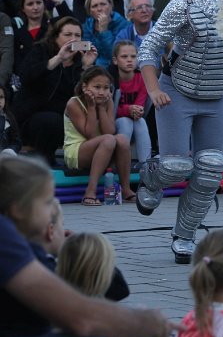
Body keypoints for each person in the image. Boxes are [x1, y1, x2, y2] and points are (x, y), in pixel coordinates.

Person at [0, 155, 167, 337]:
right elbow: (81, 319)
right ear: (19, 210)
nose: (52, 212)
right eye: (46, 203)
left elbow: (112, 291)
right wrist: (152, 323)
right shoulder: (17, 249)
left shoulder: (28, 252)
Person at [136, 0, 223, 264]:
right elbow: (150, 47)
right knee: (176, 166)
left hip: (215, 97)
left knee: (211, 167)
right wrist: (153, 89)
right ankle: (151, 178)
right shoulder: (182, 3)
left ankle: (185, 236)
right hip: (177, 93)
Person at [13, 16, 97, 164]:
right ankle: (45, 165)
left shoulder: (80, 61)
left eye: (77, 35)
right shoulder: (41, 50)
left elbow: (83, 96)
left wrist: (85, 67)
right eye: (67, 35)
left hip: (65, 117)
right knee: (51, 121)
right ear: (55, 36)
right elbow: (26, 76)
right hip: (32, 116)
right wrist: (58, 58)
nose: (73, 39)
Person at [64, 66, 135, 205]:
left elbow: (110, 131)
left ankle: (126, 189)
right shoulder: (74, 103)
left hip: (103, 148)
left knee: (121, 139)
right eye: (97, 87)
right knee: (108, 140)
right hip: (76, 151)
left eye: (106, 87)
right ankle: (90, 191)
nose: (102, 92)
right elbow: (90, 134)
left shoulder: (107, 101)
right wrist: (91, 107)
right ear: (85, 86)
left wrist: (102, 108)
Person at [110, 40, 151, 164]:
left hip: (135, 120)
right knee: (125, 122)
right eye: (124, 56)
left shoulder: (142, 78)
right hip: (112, 124)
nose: (129, 60)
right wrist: (128, 109)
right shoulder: (109, 78)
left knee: (141, 121)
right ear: (115, 60)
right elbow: (110, 110)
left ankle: (146, 163)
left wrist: (136, 110)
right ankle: (121, 163)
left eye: (133, 56)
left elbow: (140, 105)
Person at [81, 0, 129, 68]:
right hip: (91, 69)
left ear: (110, 6)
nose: (99, 9)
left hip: (116, 70)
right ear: (89, 11)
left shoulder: (124, 26)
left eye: (103, 4)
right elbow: (82, 48)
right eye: (94, 6)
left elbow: (115, 55)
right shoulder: (85, 28)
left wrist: (104, 30)